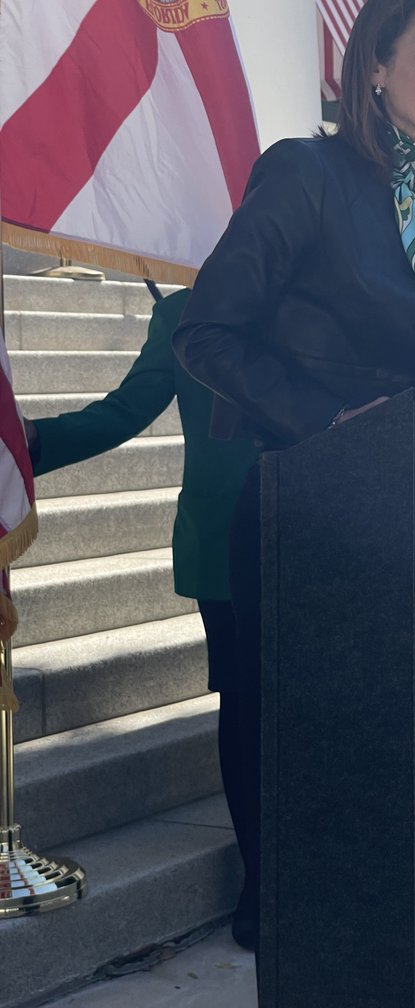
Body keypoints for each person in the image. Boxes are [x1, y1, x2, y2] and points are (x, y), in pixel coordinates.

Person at [171, 0, 415, 951]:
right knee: (274, 719)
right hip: (298, 503)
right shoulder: (306, 173)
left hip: (401, 517)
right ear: (376, 66)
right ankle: (270, 893)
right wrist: (328, 420)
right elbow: (206, 331)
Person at [22, 286, 260, 947]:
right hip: (220, 536)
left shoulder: (325, 288)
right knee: (244, 705)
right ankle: (260, 883)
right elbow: (125, 411)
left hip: (316, 528)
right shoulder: (183, 310)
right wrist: (30, 440)